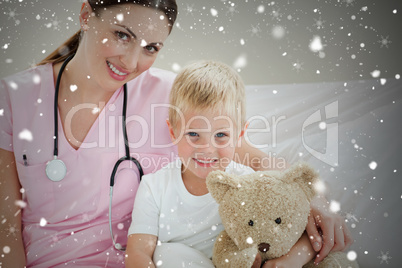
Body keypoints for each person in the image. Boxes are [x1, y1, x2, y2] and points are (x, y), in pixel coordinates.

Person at [0, 0, 351, 267]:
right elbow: (7, 228)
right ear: (87, 14)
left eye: (151, 48)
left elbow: (254, 160)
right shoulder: (13, 97)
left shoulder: (169, 94)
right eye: (123, 35)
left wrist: (316, 202)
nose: (132, 61)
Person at [124, 60, 318, 268]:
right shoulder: (155, 186)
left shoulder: (250, 184)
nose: (207, 148)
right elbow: (138, 252)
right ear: (173, 132)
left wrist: (289, 261)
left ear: (240, 135)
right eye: (193, 134)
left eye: (221, 135)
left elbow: (297, 230)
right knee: (166, 254)